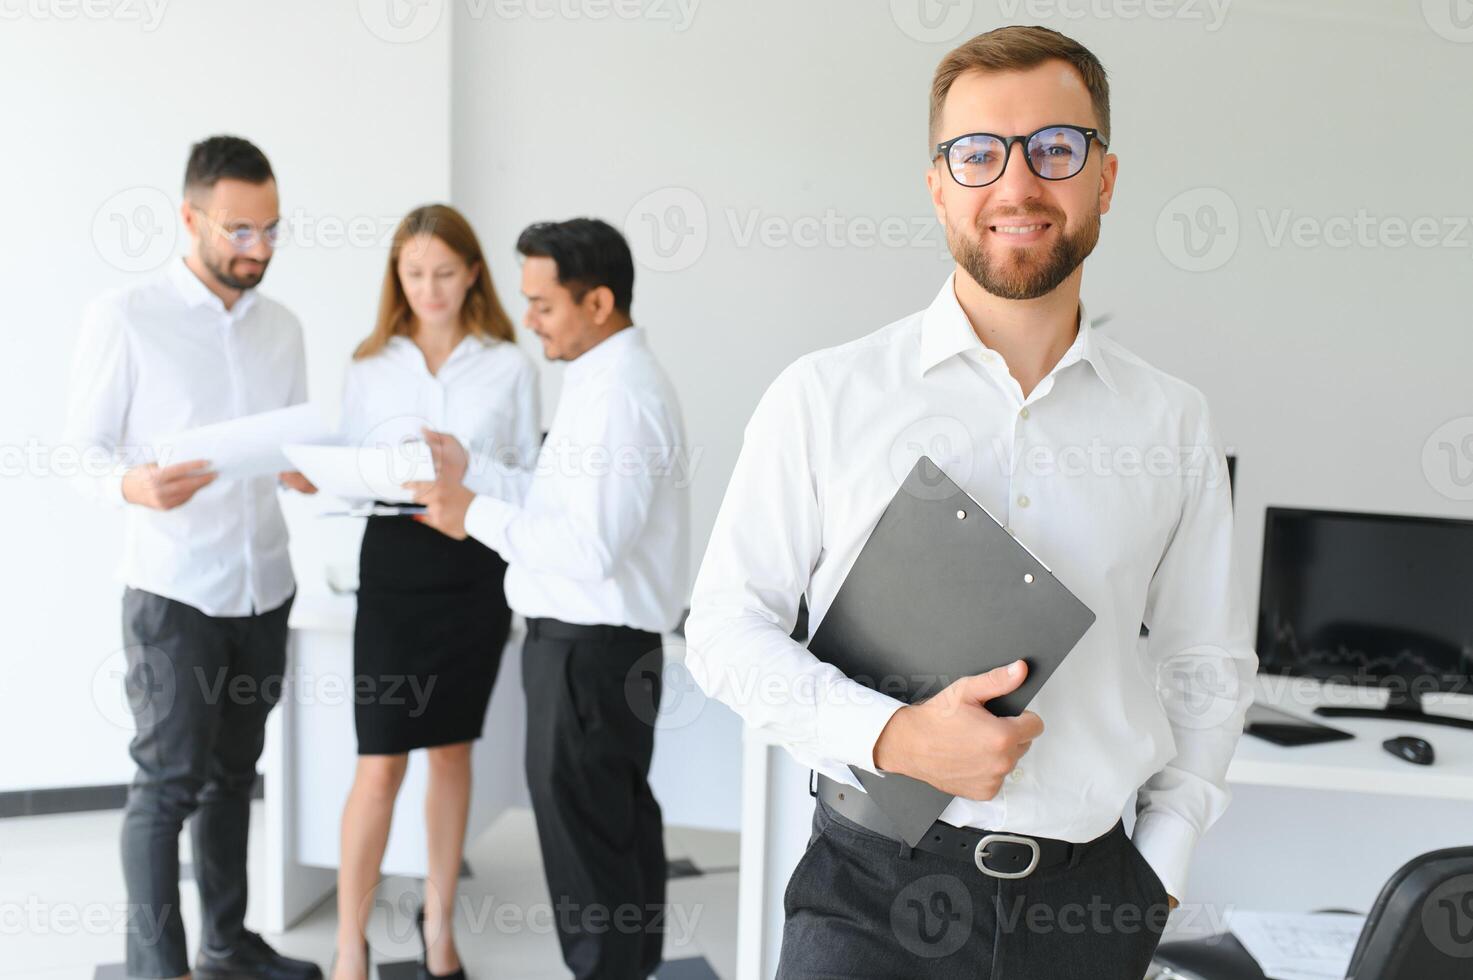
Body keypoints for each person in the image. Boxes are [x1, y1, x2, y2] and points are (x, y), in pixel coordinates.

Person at [684, 25, 1258, 980]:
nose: (1017, 183)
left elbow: (1208, 662)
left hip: (1087, 907)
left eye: (1056, 149)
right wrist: (894, 736)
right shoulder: (824, 397)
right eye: (978, 153)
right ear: (938, 187)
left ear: (1104, 180)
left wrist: (1160, 866)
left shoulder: (1172, 421)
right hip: (868, 893)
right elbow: (723, 630)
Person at [64, 136, 321, 980]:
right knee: (166, 787)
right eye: (240, 230)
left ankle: (226, 944)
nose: (258, 248)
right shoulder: (127, 316)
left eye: (271, 229)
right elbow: (83, 453)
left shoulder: (283, 328)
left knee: (232, 777)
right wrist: (132, 487)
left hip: (264, 586)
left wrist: (312, 467)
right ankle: (158, 970)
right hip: (175, 592)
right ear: (190, 218)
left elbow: (286, 445)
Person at [410, 218, 689, 980]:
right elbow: (558, 505)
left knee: (589, 851)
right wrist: (477, 478)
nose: (527, 319)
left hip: (587, 653)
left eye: (543, 305)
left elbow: (589, 549)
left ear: (597, 302)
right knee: (613, 834)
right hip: (592, 652)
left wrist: (473, 517)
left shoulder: (621, 396)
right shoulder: (599, 380)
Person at [329, 205, 539, 980]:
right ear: (397, 277)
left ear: (473, 273)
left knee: (451, 751)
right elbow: (351, 469)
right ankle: (350, 946)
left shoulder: (509, 364)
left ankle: (439, 929)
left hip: (471, 562)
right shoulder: (369, 363)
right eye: (413, 274)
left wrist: (468, 467)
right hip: (392, 568)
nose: (429, 288)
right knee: (379, 762)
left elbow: (526, 478)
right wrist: (319, 472)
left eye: (444, 273)